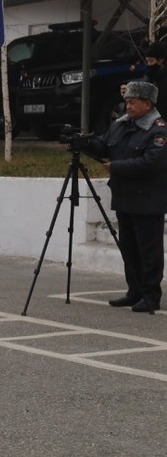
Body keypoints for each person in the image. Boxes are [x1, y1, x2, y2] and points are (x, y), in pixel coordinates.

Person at [80, 80, 167, 313]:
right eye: (127, 101)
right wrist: (83, 143)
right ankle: (134, 291)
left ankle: (150, 295)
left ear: (148, 104)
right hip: (124, 197)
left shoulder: (158, 130)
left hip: (148, 200)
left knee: (149, 252)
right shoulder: (121, 125)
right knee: (128, 248)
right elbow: (104, 145)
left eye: (133, 102)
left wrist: (116, 167)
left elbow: (151, 163)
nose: (128, 106)